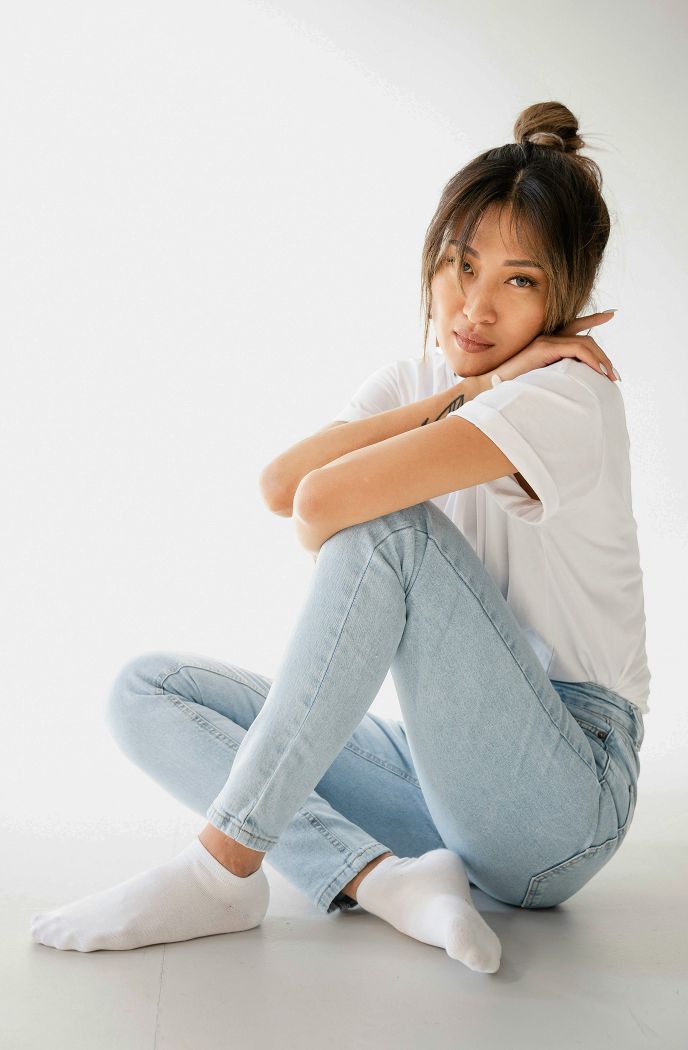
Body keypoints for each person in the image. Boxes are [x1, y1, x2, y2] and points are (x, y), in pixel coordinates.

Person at [30, 100, 649, 975]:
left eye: (518, 282)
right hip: (445, 777)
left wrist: (490, 389)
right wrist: (469, 389)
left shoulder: (565, 394)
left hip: (562, 801)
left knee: (387, 529)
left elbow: (326, 507)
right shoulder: (425, 379)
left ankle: (221, 871)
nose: (472, 307)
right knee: (147, 690)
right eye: (460, 264)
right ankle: (381, 880)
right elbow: (281, 488)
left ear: (565, 302)